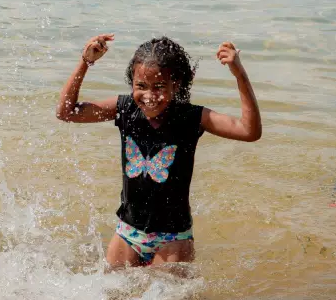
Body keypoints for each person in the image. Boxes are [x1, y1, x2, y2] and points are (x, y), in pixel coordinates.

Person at [56, 34, 262, 269]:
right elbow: (66, 112)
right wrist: (85, 62)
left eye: (160, 87)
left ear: (177, 83)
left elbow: (249, 131)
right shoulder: (125, 109)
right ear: (131, 83)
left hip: (173, 240)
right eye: (141, 86)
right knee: (110, 299)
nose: (150, 96)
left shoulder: (192, 118)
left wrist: (239, 74)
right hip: (127, 233)